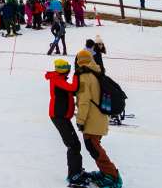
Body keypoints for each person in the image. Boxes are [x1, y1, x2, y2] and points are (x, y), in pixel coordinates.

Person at [75, 49, 121, 188]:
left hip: (92, 120)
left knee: (95, 149)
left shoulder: (84, 76)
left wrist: (80, 121)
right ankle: (106, 172)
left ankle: (112, 176)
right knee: (95, 148)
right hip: (100, 118)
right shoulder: (97, 72)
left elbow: (83, 101)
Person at [45, 58, 86, 187]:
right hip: (58, 116)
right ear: (64, 70)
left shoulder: (60, 79)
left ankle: (76, 171)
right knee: (73, 145)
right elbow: (73, 87)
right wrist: (76, 75)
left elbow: (72, 90)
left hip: (62, 116)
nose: (69, 69)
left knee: (74, 144)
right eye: (68, 67)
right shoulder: (57, 79)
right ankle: (74, 174)